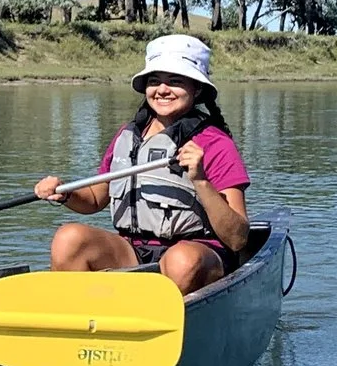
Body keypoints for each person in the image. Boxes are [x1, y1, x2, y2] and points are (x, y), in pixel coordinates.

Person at [33, 33, 251, 293]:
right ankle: (80, 312)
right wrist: (65, 193)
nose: (162, 90)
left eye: (175, 81)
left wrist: (200, 180)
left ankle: (172, 313)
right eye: (154, 81)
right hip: (133, 251)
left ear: (198, 88)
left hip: (198, 254)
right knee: (68, 239)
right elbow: (94, 199)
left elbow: (238, 239)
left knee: (181, 261)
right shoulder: (127, 136)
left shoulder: (216, 143)